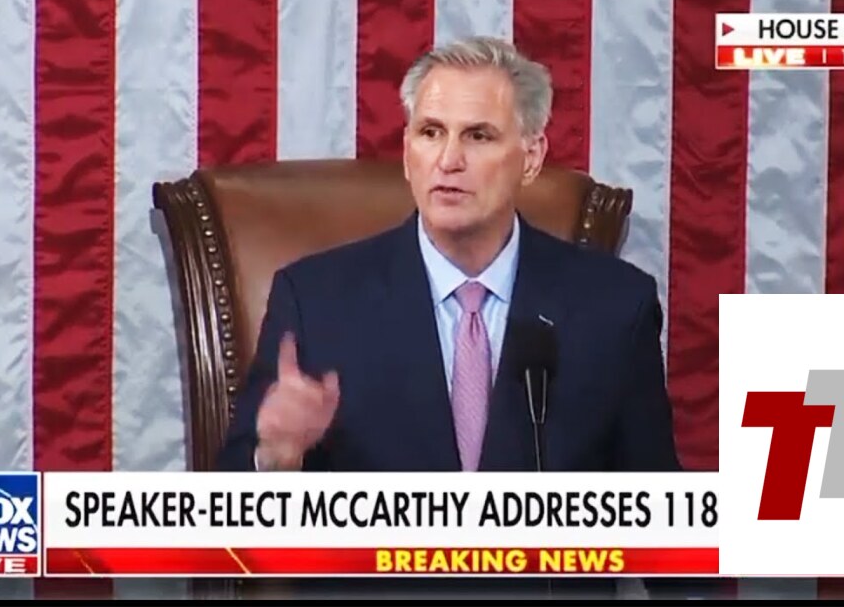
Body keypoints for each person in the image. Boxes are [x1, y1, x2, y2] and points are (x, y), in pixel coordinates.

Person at [217, 36, 684, 598]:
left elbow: (671, 544)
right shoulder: (318, 300)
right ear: (407, 152)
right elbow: (227, 529)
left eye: (478, 136)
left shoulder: (611, 308)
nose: (449, 160)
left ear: (531, 157)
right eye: (431, 132)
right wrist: (276, 458)